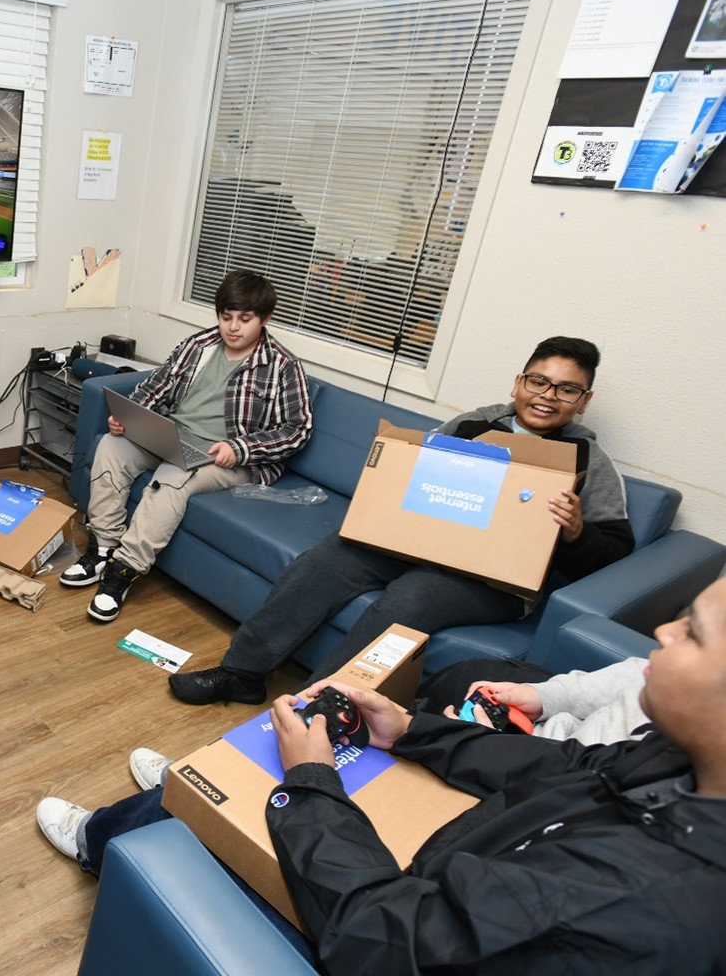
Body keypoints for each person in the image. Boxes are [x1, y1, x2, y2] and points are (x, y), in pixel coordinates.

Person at [39, 577, 726, 972]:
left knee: (248, 799)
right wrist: (410, 730)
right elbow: (563, 764)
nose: (661, 633)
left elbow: (378, 934)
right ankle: (187, 788)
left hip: (379, 929)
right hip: (455, 866)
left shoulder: (632, 905)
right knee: (265, 775)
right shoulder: (673, 766)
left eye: (691, 633)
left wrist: (311, 782)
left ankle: (121, 828)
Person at [169, 335, 632, 706]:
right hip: (420, 546)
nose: (548, 396)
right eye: (538, 381)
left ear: (583, 401)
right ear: (517, 383)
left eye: (566, 389)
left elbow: (616, 547)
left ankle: (318, 709)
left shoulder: (588, 459)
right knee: (325, 560)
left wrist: (575, 532)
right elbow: (412, 471)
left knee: (411, 598)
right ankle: (241, 673)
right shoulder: (475, 424)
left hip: (495, 583)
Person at [60, 269, 312, 622]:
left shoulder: (283, 366)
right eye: (226, 317)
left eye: (245, 319)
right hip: (174, 435)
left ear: (265, 319)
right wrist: (129, 417)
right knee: (110, 447)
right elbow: (155, 387)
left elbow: (297, 430)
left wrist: (239, 448)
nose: (233, 328)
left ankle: (124, 570)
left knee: (173, 477)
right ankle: (103, 547)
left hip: (229, 458)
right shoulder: (199, 345)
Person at [419, 655, 651, 745]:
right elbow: (634, 673)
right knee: (471, 672)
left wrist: (486, 748)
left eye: (689, 635)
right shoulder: (657, 677)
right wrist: (541, 696)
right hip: (555, 732)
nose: (665, 631)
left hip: (540, 762)